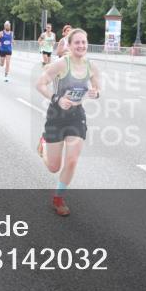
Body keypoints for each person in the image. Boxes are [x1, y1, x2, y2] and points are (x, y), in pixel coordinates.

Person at [35, 28, 100, 217]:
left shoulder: (91, 66)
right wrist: (57, 99)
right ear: (69, 46)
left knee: (71, 161)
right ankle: (43, 145)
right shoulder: (61, 64)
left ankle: (58, 198)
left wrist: (96, 93)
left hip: (76, 116)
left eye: (84, 42)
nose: (81, 45)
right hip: (56, 116)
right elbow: (40, 84)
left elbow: (98, 88)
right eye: (77, 42)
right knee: (54, 167)